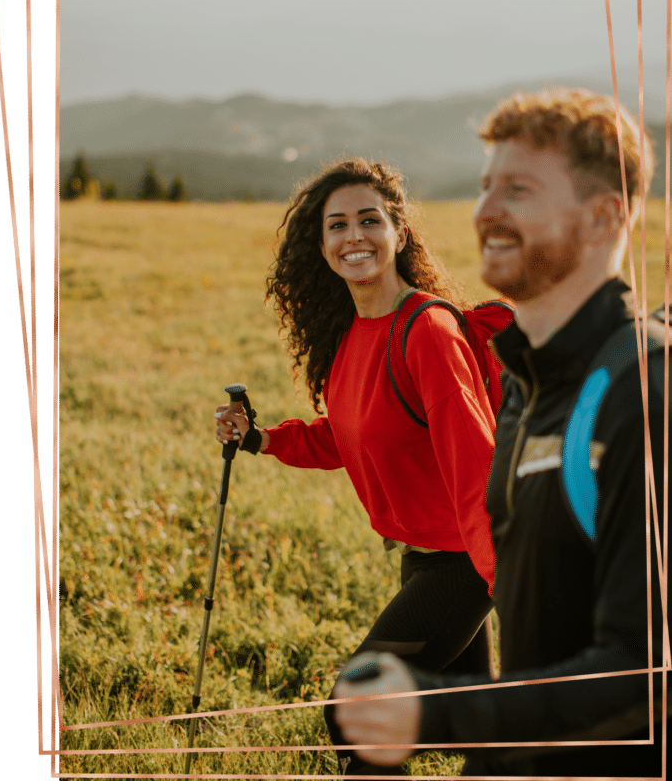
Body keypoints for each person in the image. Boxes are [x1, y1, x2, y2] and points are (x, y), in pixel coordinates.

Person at [334, 89, 670, 777]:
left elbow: (645, 677)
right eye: (487, 187)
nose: (486, 210)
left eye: (518, 190)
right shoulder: (524, 388)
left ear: (606, 216)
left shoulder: (643, 392)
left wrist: (430, 713)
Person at [215, 157, 499, 776]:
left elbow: (478, 468)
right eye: (337, 226)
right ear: (320, 246)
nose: (354, 237)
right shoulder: (352, 337)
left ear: (399, 232)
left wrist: (515, 586)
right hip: (423, 555)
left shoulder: (427, 331)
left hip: (465, 562)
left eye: (369, 220)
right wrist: (261, 438)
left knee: (356, 709)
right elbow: (350, 438)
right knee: (480, 728)